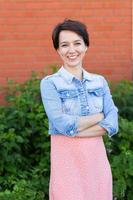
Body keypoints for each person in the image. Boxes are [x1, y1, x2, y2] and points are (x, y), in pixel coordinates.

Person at [40, 19, 118, 200]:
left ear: (86, 46)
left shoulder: (100, 81)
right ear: (58, 50)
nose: (71, 50)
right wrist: (98, 117)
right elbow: (61, 123)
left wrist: (72, 131)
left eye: (77, 43)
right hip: (67, 167)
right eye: (64, 45)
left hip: (97, 164)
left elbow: (112, 122)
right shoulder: (50, 83)